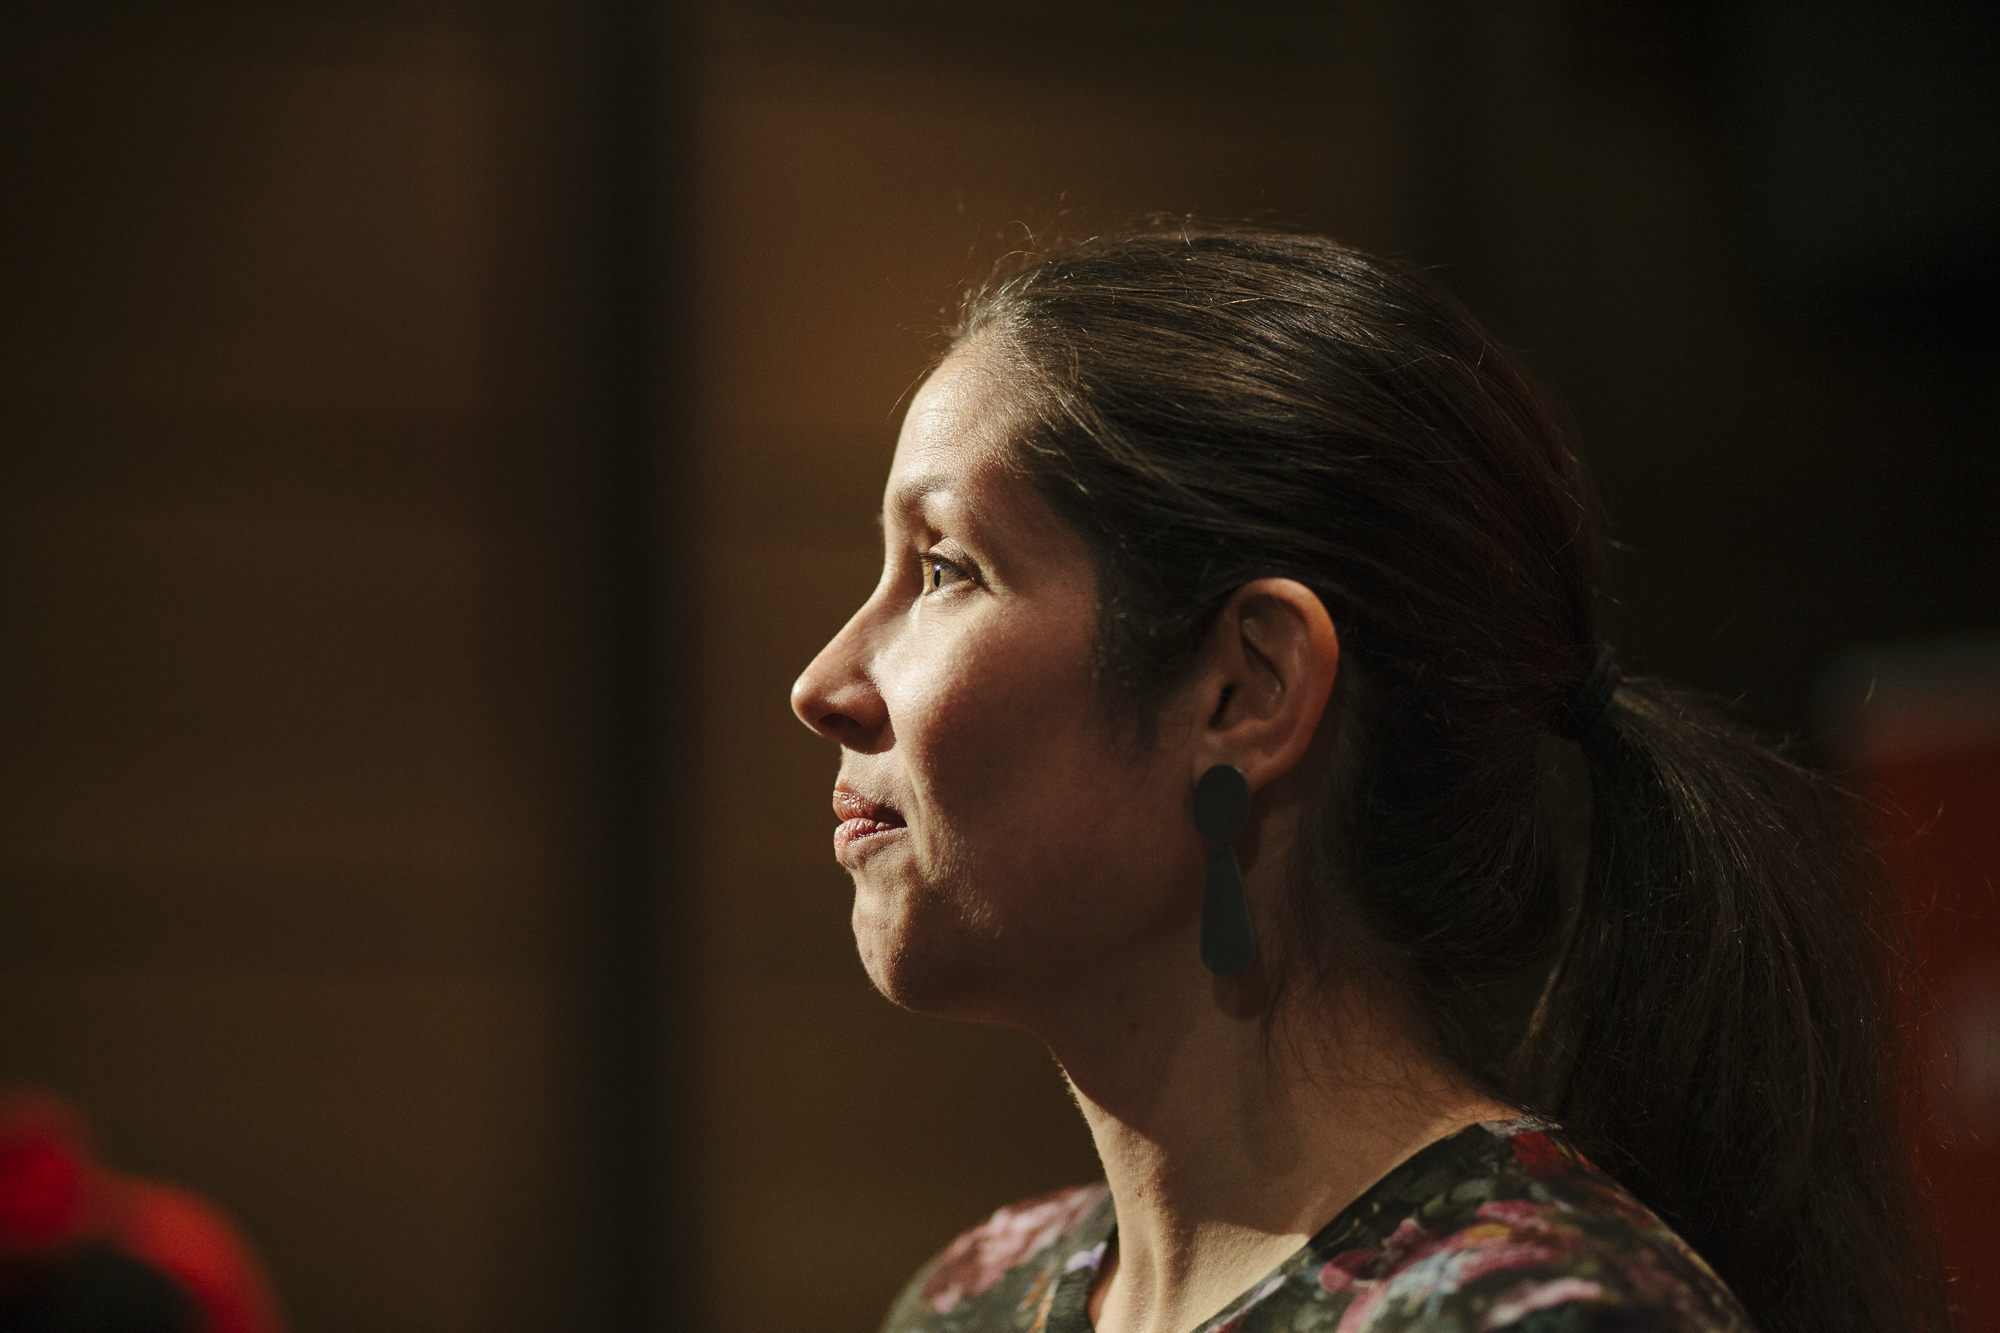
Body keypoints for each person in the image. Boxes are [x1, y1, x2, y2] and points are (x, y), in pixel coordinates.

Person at [790, 229, 1943, 1333]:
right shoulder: (972, 1297)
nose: (822, 682)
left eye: (942, 567)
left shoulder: (1542, 1314)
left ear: (1246, 689)